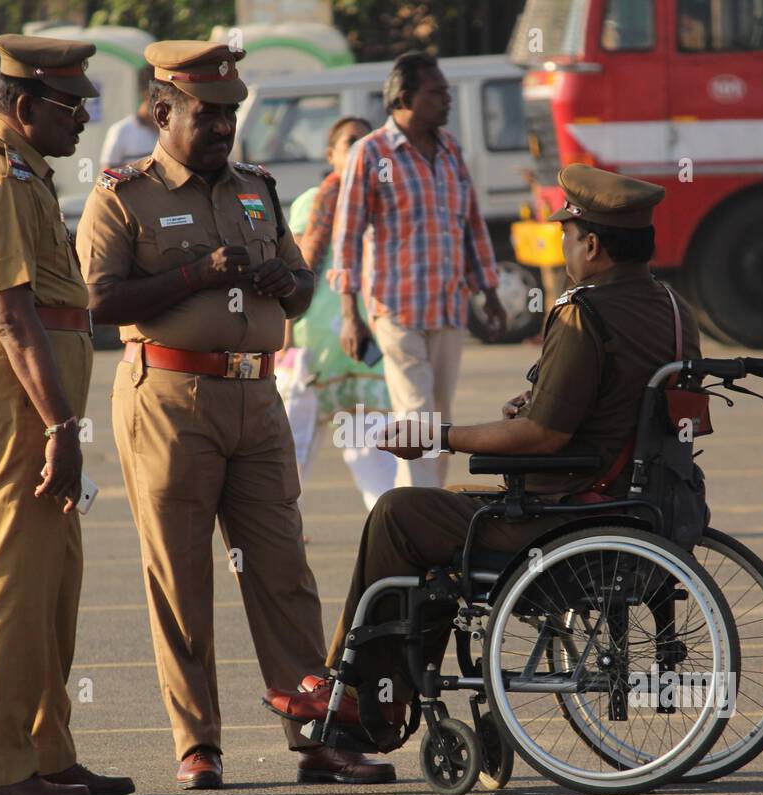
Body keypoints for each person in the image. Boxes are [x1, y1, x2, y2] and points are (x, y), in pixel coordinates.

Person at [264, 164, 702, 723]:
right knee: (449, 508)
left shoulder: (583, 313)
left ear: (591, 245)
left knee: (400, 514)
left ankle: (360, 694)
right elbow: (622, 401)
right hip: (648, 503)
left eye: (567, 235)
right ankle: (385, 690)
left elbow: (541, 436)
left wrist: (436, 435)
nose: (563, 246)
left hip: (570, 516)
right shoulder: (672, 308)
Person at [76, 40, 395, 789]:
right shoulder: (123, 193)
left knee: (284, 570)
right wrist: (194, 273)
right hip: (169, 399)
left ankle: (314, 735)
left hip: (258, 392)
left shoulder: (257, 187)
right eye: (208, 114)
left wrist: (291, 280)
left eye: (231, 113)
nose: (224, 127)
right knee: (181, 578)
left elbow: (302, 290)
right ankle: (199, 745)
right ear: (163, 112)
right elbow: (100, 301)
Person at [0, 34, 135, 795]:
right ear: (21, 106)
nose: (83, 117)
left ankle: (46, 750)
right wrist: (59, 429)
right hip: (22, 397)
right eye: (69, 104)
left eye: (85, 103)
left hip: (6, 389)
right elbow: (12, 315)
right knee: (16, 583)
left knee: (54, 580)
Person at [327, 52, 508, 490]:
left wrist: (490, 291)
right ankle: (416, 521)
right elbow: (347, 237)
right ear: (405, 98)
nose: (447, 101)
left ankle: (424, 509)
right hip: (396, 311)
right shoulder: (370, 153)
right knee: (418, 417)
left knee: (440, 423)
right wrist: (350, 314)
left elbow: (471, 224)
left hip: (448, 307)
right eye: (438, 93)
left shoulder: (451, 151)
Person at [277, 115, 396, 513]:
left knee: (374, 455)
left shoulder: (385, 203)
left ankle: (393, 531)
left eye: (367, 142)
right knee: (292, 451)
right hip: (312, 345)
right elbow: (296, 270)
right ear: (331, 155)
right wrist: (285, 334)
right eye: (350, 142)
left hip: (365, 346)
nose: (360, 149)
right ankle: (279, 533)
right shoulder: (313, 201)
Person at [99, 66, 159, 169]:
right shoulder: (121, 130)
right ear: (147, 96)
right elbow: (106, 176)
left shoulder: (169, 130)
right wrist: (139, 170)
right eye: (161, 96)